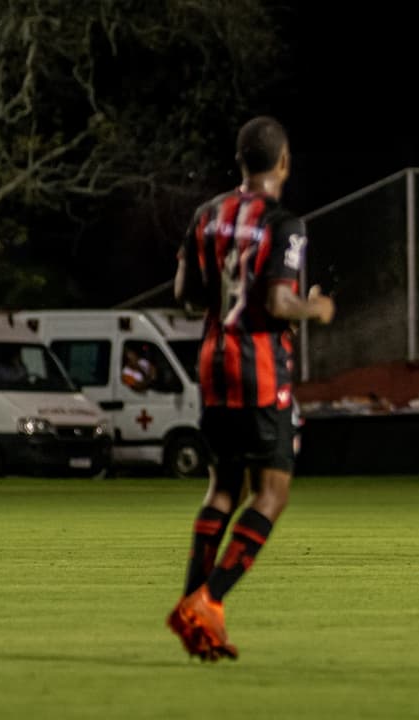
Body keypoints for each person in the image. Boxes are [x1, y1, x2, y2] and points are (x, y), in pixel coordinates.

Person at [167, 116, 336, 661]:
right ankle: (208, 602)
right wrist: (318, 306)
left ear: (241, 162)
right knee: (273, 491)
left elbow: (186, 294)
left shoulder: (206, 215)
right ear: (283, 163)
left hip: (213, 363)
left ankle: (195, 612)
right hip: (259, 367)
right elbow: (280, 303)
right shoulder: (285, 224)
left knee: (223, 487)